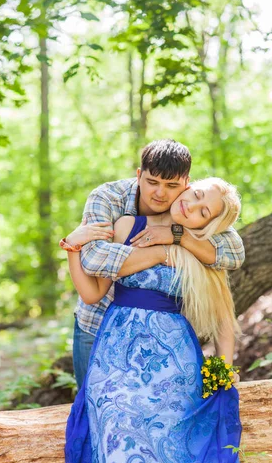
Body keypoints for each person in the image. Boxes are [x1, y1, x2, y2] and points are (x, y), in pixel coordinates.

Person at [64, 177, 243, 463]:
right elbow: (93, 294)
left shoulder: (201, 250)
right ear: (188, 185)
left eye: (204, 212)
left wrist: (222, 371)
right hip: (117, 353)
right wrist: (71, 246)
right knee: (113, 422)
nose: (192, 206)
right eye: (196, 195)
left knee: (173, 439)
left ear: (208, 224)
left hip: (174, 360)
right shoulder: (127, 225)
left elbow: (223, 318)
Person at [60, 139, 245, 388]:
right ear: (139, 175)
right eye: (152, 182)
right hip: (100, 329)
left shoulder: (201, 237)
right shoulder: (113, 205)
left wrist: (178, 238)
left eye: (171, 185)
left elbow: (234, 255)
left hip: (168, 351)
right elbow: (95, 264)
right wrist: (161, 252)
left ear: (185, 184)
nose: (160, 193)